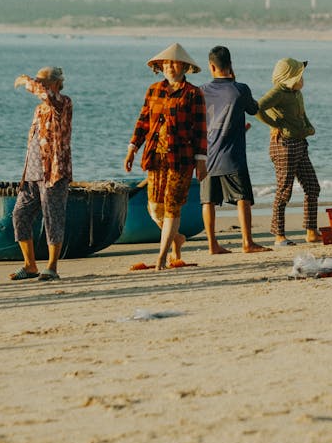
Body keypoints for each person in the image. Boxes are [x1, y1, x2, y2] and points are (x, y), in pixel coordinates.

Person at [125, 42, 207, 271]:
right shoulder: (153, 90)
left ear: (184, 67)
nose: (171, 67)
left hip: (181, 158)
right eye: (167, 63)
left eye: (175, 63)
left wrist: (201, 161)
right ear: (161, 66)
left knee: (172, 207)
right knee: (154, 208)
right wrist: (132, 148)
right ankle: (176, 239)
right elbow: (143, 122)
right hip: (155, 157)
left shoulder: (193, 94)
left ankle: (162, 256)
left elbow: (200, 130)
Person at [200, 45, 267, 254]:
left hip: (208, 154)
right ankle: (247, 242)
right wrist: (235, 81)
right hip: (232, 156)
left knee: (208, 201)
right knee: (243, 198)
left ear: (211, 67)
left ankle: (212, 244)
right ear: (230, 65)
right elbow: (254, 109)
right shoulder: (240, 89)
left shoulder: (201, 91)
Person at [10, 67, 73, 282]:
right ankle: (30, 266)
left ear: (55, 82)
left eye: (42, 80)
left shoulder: (63, 103)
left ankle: (52, 267)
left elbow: (47, 96)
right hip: (32, 173)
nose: (38, 83)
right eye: (37, 80)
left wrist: (26, 80)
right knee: (20, 214)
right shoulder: (39, 109)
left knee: (52, 218)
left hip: (54, 172)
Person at [257, 58, 321, 247]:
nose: (303, 79)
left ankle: (311, 232)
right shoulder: (279, 92)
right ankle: (279, 236)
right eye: (299, 76)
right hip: (283, 146)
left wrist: (309, 127)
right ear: (289, 77)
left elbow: (302, 114)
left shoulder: (296, 93)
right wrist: (275, 124)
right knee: (284, 191)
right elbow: (257, 108)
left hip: (300, 144)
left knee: (312, 187)